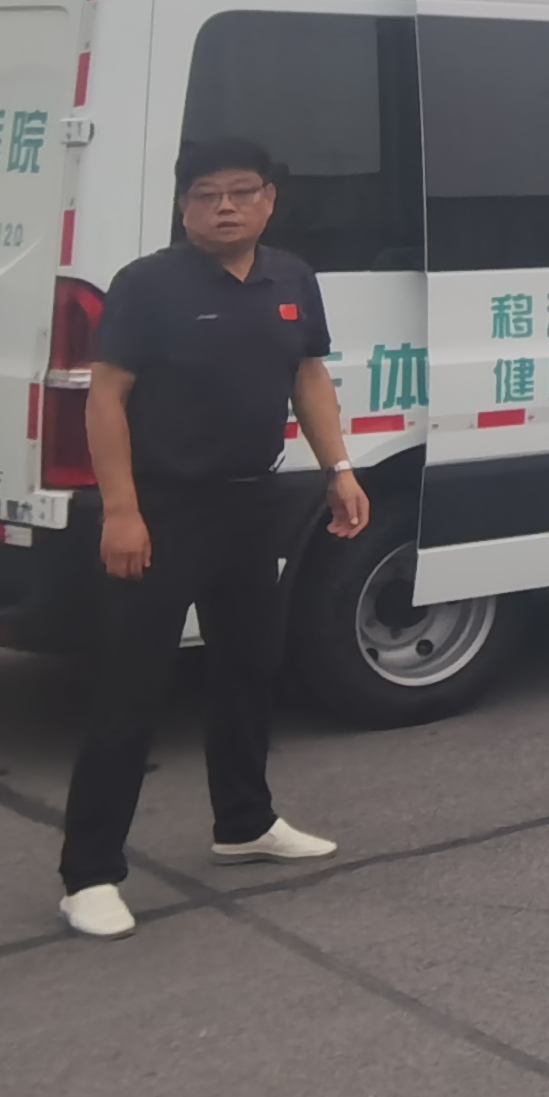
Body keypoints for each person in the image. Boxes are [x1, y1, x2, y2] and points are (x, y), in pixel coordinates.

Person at [55, 137, 370, 939]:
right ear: (183, 206)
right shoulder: (148, 285)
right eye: (204, 194)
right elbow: (105, 398)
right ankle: (89, 874)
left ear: (269, 199)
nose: (223, 206)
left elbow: (308, 375)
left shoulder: (291, 279)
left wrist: (338, 468)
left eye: (239, 191)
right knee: (131, 688)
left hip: (250, 503)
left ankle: (245, 823)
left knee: (250, 667)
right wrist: (121, 511)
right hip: (161, 509)